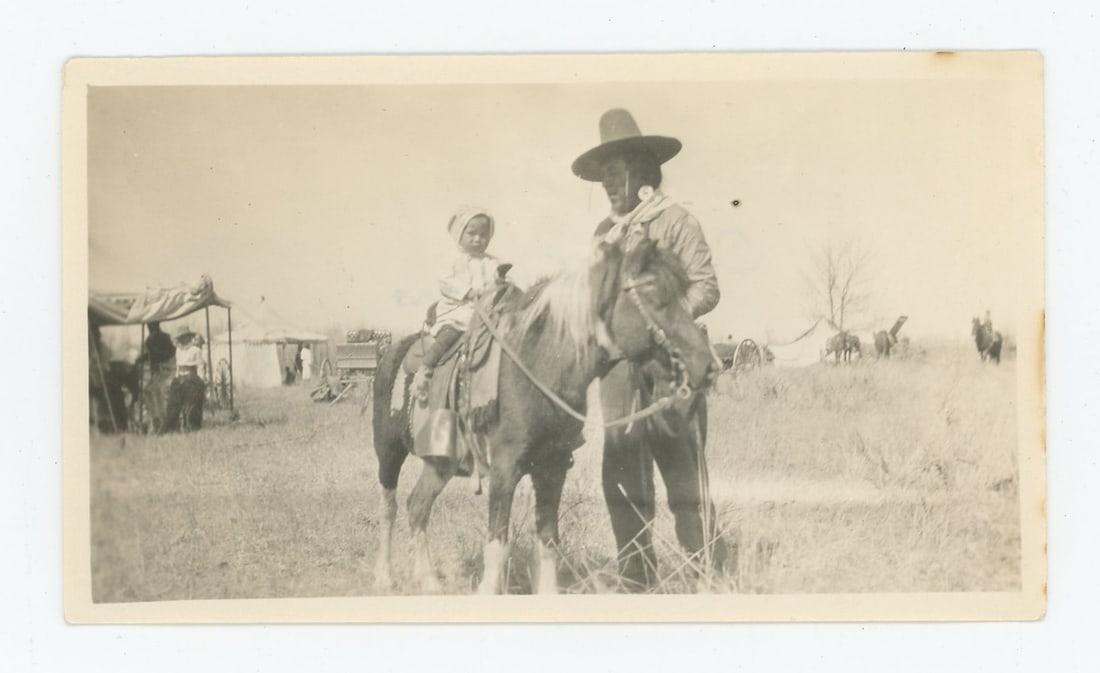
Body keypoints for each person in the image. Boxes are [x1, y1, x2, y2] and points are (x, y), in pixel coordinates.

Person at [572, 108, 724, 589]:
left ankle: (705, 575)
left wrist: (663, 322)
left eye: (615, 175)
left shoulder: (677, 221)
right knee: (620, 472)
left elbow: (706, 287)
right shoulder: (602, 235)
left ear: (641, 171)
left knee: (683, 473)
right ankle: (636, 578)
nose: (609, 186)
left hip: (671, 369)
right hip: (617, 371)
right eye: (603, 179)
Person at [411, 205, 506, 403]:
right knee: (450, 334)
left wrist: (503, 287)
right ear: (459, 233)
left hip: (488, 312)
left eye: (483, 234)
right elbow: (446, 281)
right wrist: (469, 292)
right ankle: (425, 370)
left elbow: (503, 279)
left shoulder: (494, 262)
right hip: (459, 310)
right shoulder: (452, 259)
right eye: (471, 233)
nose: (478, 239)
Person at [161, 325, 206, 433]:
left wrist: (201, 380)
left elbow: (200, 366)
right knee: (173, 404)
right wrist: (177, 377)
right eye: (180, 338)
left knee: (192, 405)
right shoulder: (178, 350)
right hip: (179, 379)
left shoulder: (196, 350)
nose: (182, 340)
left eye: (184, 337)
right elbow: (177, 365)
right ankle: (170, 428)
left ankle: (192, 427)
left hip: (191, 379)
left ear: (188, 337)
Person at [136, 320, 176, 433]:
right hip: (156, 372)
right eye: (149, 326)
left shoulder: (165, 337)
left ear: (157, 325)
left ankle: (165, 420)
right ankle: (155, 418)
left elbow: (172, 352)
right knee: (148, 392)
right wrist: (140, 359)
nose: (150, 328)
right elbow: (147, 355)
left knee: (160, 392)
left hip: (166, 370)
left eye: (152, 326)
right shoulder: (149, 340)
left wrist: (156, 353)